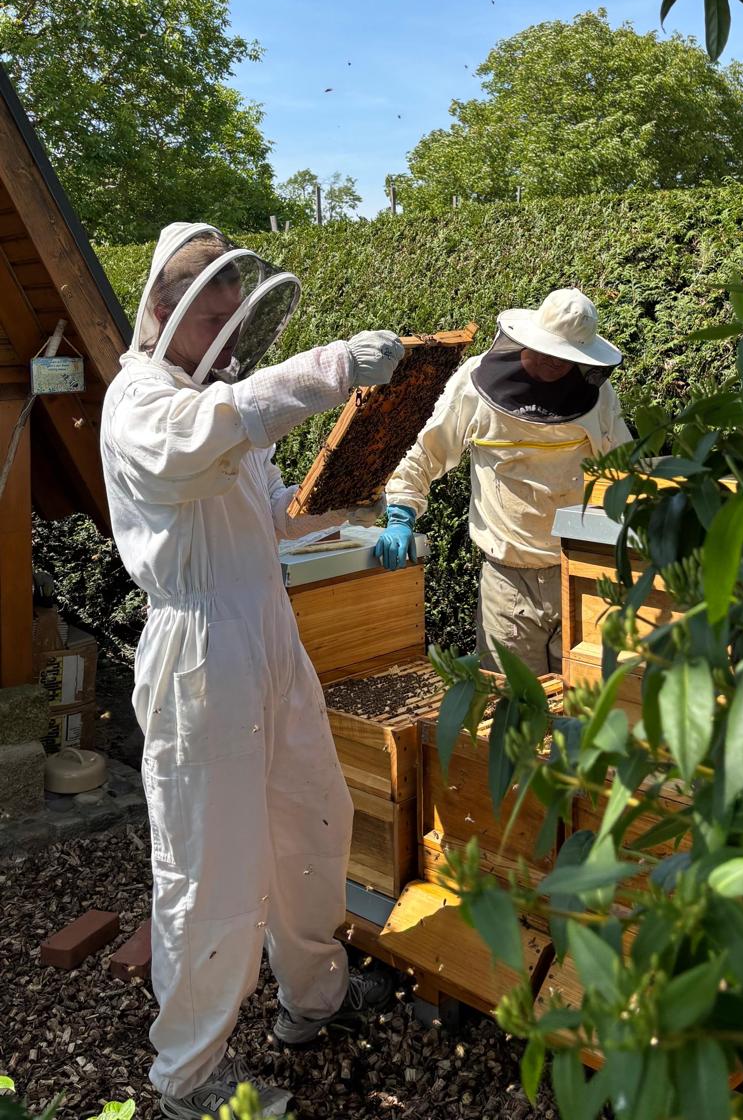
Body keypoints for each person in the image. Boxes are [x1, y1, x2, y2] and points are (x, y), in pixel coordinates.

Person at [100, 223, 405, 1119]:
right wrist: (328, 369)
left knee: (316, 816)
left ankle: (314, 1002)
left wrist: (329, 506)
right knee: (211, 864)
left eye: (238, 321)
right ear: (165, 309)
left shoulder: (206, 389)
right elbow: (210, 435)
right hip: (198, 654)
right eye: (216, 320)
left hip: (268, 629)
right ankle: (187, 1079)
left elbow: (263, 511)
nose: (231, 341)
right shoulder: (141, 400)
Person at [375, 289, 629, 675]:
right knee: (511, 712)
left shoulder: (598, 396)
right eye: (548, 351)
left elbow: (624, 469)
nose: (553, 363)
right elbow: (426, 450)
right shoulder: (474, 384)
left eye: (565, 357)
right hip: (507, 579)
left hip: (582, 571)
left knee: (583, 705)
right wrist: (401, 512)